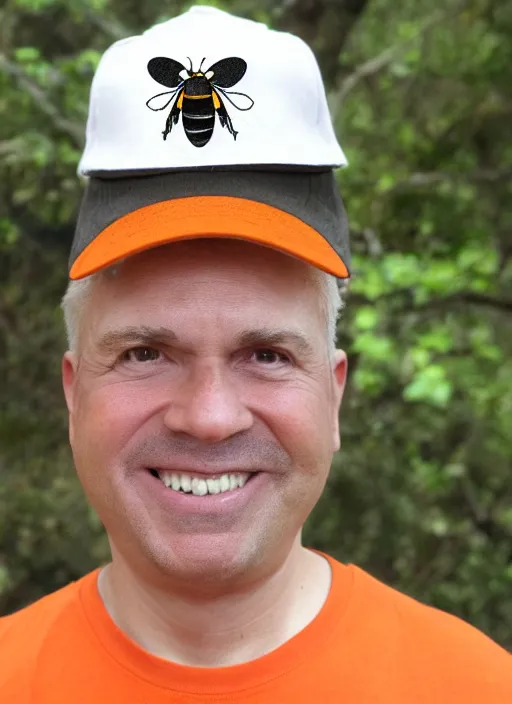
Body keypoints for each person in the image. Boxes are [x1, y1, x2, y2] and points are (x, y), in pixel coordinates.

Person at [1, 6, 510, 702]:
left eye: (267, 355)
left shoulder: (475, 688)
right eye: (146, 352)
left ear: (333, 394)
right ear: (73, 390)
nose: (209, 417)